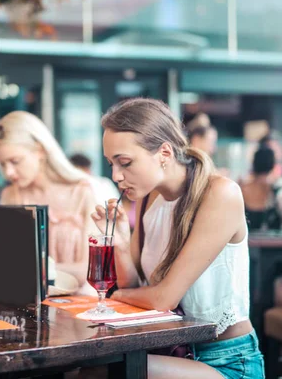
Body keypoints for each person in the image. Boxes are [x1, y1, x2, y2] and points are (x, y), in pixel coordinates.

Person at [91, 98, 263, 378]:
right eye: (111, 164)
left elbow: (162, 299)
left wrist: (111, 298)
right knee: (89, 368)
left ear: (164, 152)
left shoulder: (220, 194)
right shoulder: (148, 197)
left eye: (125, 163)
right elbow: (137, 287)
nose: (116, 176)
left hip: (226, 360)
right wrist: (121, 244)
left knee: (108, 371)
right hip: (169, 350)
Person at [0, 111, 98, 295]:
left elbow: (91, 269)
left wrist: (35, 267)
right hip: (28, 301)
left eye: (15, 161)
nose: (8, 173)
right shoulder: (10, 196)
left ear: (40, 150)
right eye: (3, 164)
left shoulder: (81, 193)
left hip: (79, 302)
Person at [240, 147, 282, 231]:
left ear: (253, 164)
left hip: (247, 241)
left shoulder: (240, 190)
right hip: (274, 242)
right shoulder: (277, 190)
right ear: (273, 165)